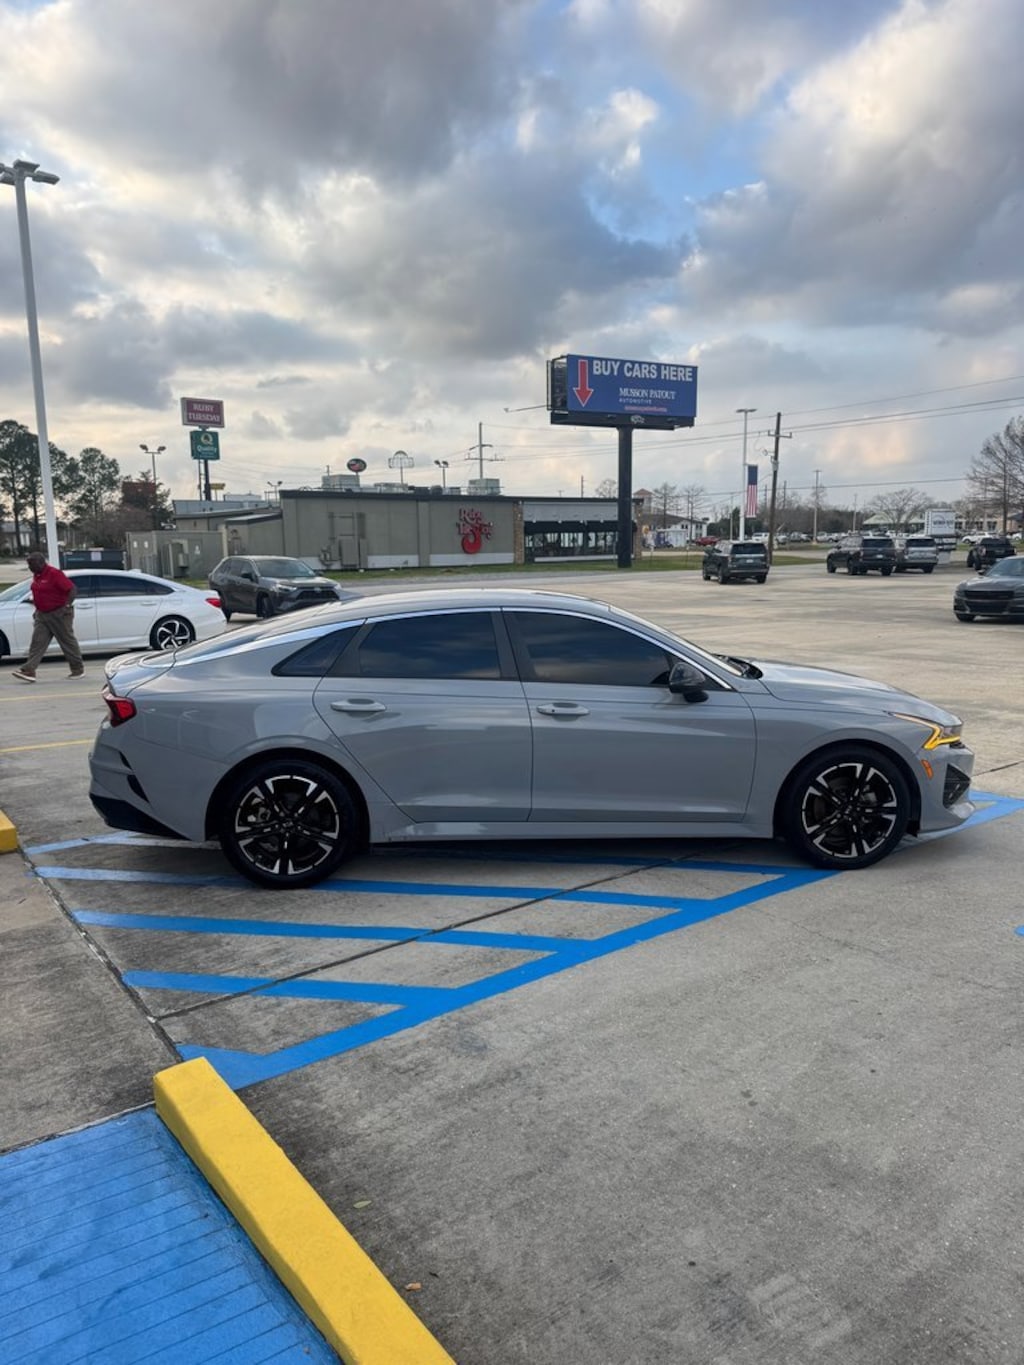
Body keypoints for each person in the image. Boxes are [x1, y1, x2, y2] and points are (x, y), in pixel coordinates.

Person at [11, 551, 85, 682]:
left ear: (41, 562)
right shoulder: (37, 575)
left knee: (66, 641)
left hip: (59, 613)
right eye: (29, 564)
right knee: (37, 642)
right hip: (42, 614)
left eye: (32, 564)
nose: (30, 567)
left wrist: (67, 606)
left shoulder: (54, 574)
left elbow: (72, 589)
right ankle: (29, 670)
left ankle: (77, 669)